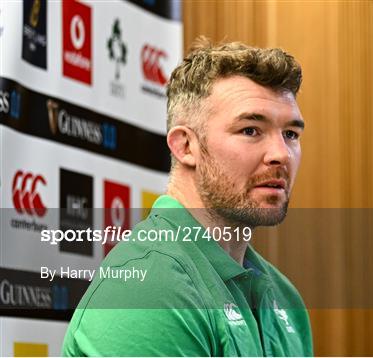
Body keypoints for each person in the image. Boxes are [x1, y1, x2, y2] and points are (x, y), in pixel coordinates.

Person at [62, 38, 313, 356]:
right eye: (250, 130)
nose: (281, 154)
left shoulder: (284, 296)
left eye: (290, 134)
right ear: (185, 147)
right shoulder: (148, 289)